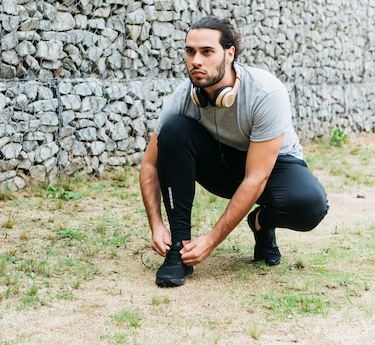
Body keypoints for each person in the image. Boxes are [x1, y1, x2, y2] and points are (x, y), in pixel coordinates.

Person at [139, 16, 329, 287]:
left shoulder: (265, 92)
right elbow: (149, 165)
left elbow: (256, 178)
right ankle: (178, 250)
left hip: (272, 168)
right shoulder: (183, 96)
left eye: (207, 52)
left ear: (229, 54)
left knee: (310, 205)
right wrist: (156, 225)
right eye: (190, 51)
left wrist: (212, 241)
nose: (196, 61)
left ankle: (262, 223)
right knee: (174, 131)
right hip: (222, 164)